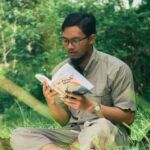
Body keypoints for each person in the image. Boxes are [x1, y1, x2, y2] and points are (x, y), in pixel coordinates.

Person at [10, 12, 136, 150]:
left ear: (91, 39)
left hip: (108, 134)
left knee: (101, 127)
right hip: (74, 134)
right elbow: (64, 120)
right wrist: (51, 102)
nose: (69, 46)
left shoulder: (117, 69)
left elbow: (128, 118)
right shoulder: (60, 71)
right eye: (65, 40)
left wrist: (91, 106)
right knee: (19, 135)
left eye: (75, 41)